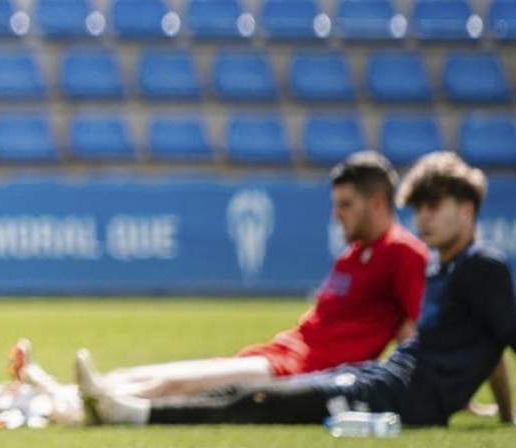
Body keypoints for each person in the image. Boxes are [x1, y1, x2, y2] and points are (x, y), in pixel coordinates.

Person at [81, 152, 516, 429]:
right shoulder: (431, 267)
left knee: (233, 395)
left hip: (355, 381)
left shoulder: (447, 261)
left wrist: (470, 402)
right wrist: (500, 410)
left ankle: (122, 411)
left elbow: (488, 334)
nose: (424, 218)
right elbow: (474, 340)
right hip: (340, 367)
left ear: (468, 209)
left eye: (435, 206)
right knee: (214, 385)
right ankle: (93, 401)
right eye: (419, 207)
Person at [67, 152, 428, 400]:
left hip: (302, 371)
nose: (336, 216)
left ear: (379, 202)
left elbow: (419, 334)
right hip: (281, 351)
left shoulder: (403, 254)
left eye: (346, 205)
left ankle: (74, 402)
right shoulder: (353, 255)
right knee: (171, 373)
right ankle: (63, 394)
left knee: (178, 384)